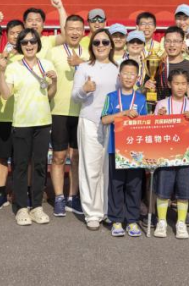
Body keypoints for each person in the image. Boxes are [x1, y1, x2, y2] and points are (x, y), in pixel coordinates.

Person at [0, 28, 57, 226]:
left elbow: (50, 94)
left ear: (38, 44)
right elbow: (5, 94)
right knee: (21, 165)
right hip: (22, 122)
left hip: (43, 122)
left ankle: (37, 206)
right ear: (20, 46)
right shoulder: (14, 66)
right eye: (24, 42)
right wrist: (1, 71)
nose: (29, 45)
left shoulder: (47, 64)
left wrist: (55, 81)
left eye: (32, 41)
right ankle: (21, 206)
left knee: (40, 165)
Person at [146, 25, 189, 226]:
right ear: (164, 43)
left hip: (181, 128)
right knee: (158, 170)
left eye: (176, 41)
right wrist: (147, 87)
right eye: (168, 41)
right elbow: (148, 90)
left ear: (183, 43)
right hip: (159, 121)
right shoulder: (155, 63)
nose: (172, 45)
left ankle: (180, 213)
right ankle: (153, 213)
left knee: (181, 171)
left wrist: (176, 117)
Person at [72, 28, 120, 230]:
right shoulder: (84, 68)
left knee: (108, 169)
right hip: (90, 121)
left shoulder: (118, 67)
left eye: (105, 42)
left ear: (111, 45)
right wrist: (84, 89)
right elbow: (75, 97)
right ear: (91, 46)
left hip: (114, 124)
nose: (101, 46)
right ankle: (92, 212)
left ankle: (107, 210)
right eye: (96, 42)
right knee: (90, 168)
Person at [153, 69, 189, 239]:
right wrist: (159, 118)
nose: (180, 87)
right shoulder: (161, 104)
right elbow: (154, 130)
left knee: (184, 191)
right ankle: (161, 221)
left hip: (184, 155)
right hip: (165, 155)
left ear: (188, 85)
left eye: (183, 83)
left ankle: (181, 223)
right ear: (169, 84)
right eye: (176, 83)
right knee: (163, 190)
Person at [46, 14, 90, 217]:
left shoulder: (89, 53)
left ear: (83, 31)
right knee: (59, 156)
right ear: (64, 31)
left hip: (82, 112)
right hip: (59, 111)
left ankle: (73, 196)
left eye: (78, 29)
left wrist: (82, 64)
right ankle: (59, 197)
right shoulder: (53, 52)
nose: (74, 32)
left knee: (77, 156)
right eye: (70, 28)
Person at [100, 59, 148, 237]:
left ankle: (133, 220)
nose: (128, 77)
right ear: (119, 76)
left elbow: (145, 123)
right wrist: (123, 114)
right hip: (116, 149)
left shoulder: (141, 99)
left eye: (132, 74)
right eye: (125, 73)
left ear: (137, 78)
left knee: (134, 185)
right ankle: (116, 220)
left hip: (136, 151)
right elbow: (104, 119)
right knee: (116, 185)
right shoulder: (111, 97)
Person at [0, 19, 24, 211]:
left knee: (21, 158)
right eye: (12, 33)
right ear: (7, 36)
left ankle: (19, 192)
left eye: (19, 32)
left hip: (23, 116)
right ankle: (1, 194)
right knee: (2, 157)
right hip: (3, 114)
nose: (16, 36)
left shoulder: (30, 56)